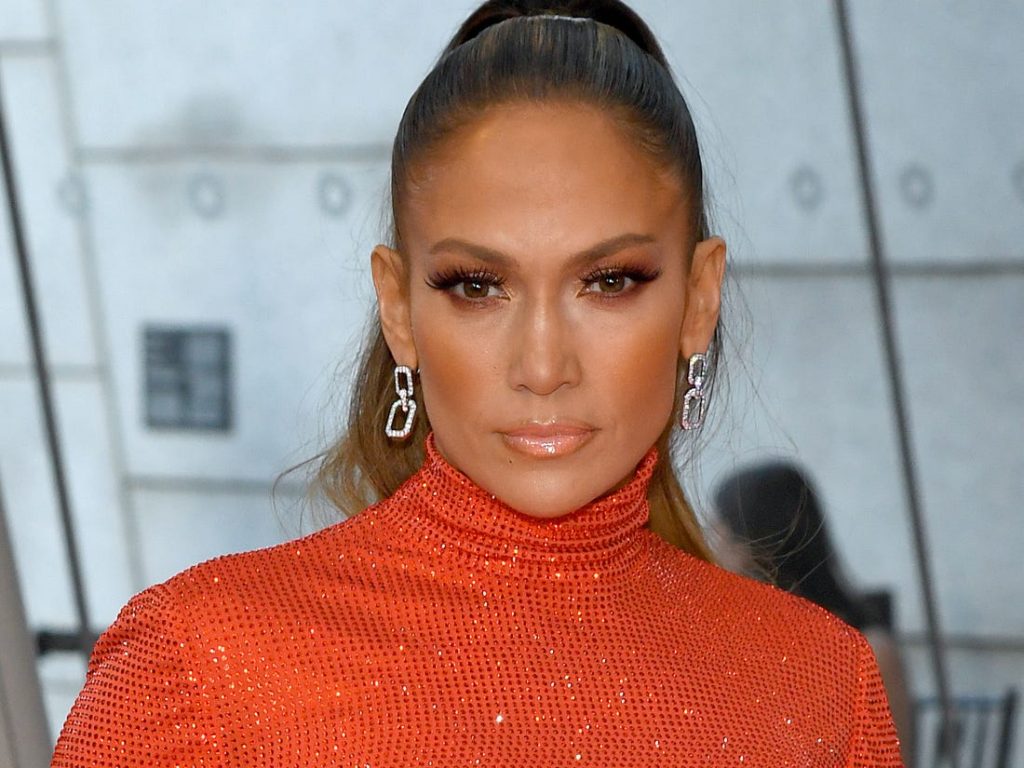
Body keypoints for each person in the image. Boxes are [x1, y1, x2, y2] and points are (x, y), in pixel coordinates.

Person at [52, 2, 904, 765]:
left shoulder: (821, 688)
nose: (542, 366)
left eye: (609, 281)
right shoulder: (194, 673)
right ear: (398, 308)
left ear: (699, 299)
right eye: (477, 285)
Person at [713, 461, 915, 764]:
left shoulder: (866, 651)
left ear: (752, 544)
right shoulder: (727, 638)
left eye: (720, 531)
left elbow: (891, 758)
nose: (711, 546)